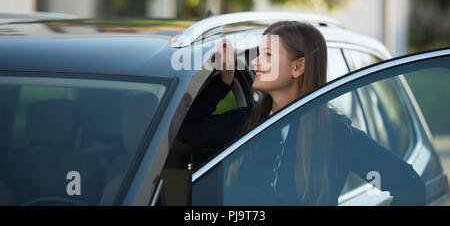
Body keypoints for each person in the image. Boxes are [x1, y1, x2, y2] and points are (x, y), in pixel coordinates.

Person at [178, 21, 426, 206]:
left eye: (267, 55)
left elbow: (411, 187)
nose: (255, 63)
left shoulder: (336, 134)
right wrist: (224, 83)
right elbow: (186, 130)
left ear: (298, 67)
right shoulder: (245, 122)